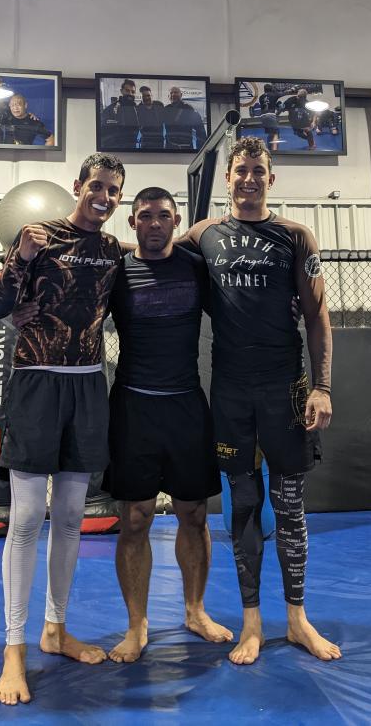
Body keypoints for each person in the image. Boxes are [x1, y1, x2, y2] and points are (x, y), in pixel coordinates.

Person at [177, 136, 340, 666]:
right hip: (230, 391)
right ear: (227, 178)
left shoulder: (295, 236)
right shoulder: (203, 236)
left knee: (289, 506)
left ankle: (296, 619)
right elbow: (152, 256)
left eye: (257, 170)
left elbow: (317, 316)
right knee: (244, 505)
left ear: (271, 178)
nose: (248, 178)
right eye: (240, 170)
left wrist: (322, 387)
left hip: (284, 389)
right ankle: (251, 622)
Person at [0, 153, 126, 706]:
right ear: (78, 186)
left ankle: (55, 628)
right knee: (26, 519)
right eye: (97, 186)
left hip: (88, 384)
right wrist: (20, 259)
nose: (104, 197)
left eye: (113, 190)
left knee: (70, 518)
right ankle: (13, 648)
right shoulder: (38, 236)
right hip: (36, 382)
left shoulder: (113, 250)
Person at [104, 187, 232, 663]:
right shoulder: (117, 271)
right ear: (132, 222)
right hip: (133, 408)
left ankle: (195, 611)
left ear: (176, 221)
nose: (154, 223)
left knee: (193, 514)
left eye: (163, 215)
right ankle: (136, 625)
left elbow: (237, 307)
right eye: (145, 216)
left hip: (185, 407)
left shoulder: (197, 266)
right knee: (134, 518)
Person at [164, 86, 207, 152]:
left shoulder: (189, 109)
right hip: (169, 148)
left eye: (176, 92)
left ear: (181, 95)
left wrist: (200, 151)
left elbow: (201, 132)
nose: (173, 94)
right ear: (168, 96)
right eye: (171, 93)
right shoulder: (165, 110)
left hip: (186, 149)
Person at [100, 79, 140, 150]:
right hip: (115, 149)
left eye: (133, 92)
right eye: (127, 90)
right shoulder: (110, 109)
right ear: (121, 91)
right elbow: (103, 135)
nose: (130, 94)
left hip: (132, 149)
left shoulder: (137, 109)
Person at [136, 85, 165, 150]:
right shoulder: (138, 108)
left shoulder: (159, 105)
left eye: (148, 95)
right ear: (141, 98)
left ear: (151, 95)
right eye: (144, 96)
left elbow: (165, 119)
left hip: (159, 140)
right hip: (145, 141)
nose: (146, 98)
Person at [257, 84, 281, 150]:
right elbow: (282, 94)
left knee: (271, 133)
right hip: (271, 116)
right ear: (271, 89)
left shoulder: (261, 97)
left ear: (264, 90)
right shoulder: (274, 95)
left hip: (263, 117)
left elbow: (268, 103)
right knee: (276, 133)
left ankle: (269, 149)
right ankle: (275, 151)